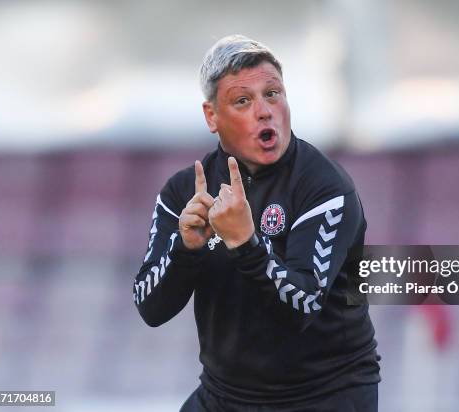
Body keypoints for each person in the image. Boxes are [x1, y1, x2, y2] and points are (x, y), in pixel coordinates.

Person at [133, 34, 380, 411]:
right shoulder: (186, 190)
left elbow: (302, 307)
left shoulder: (325, 188)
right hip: (225, 396)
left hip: (324, 395)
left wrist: (245, 242)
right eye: (243, 100)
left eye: (273, 94)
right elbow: (150, 308)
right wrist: (186, 249)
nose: (264, 111)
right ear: (212, 116)